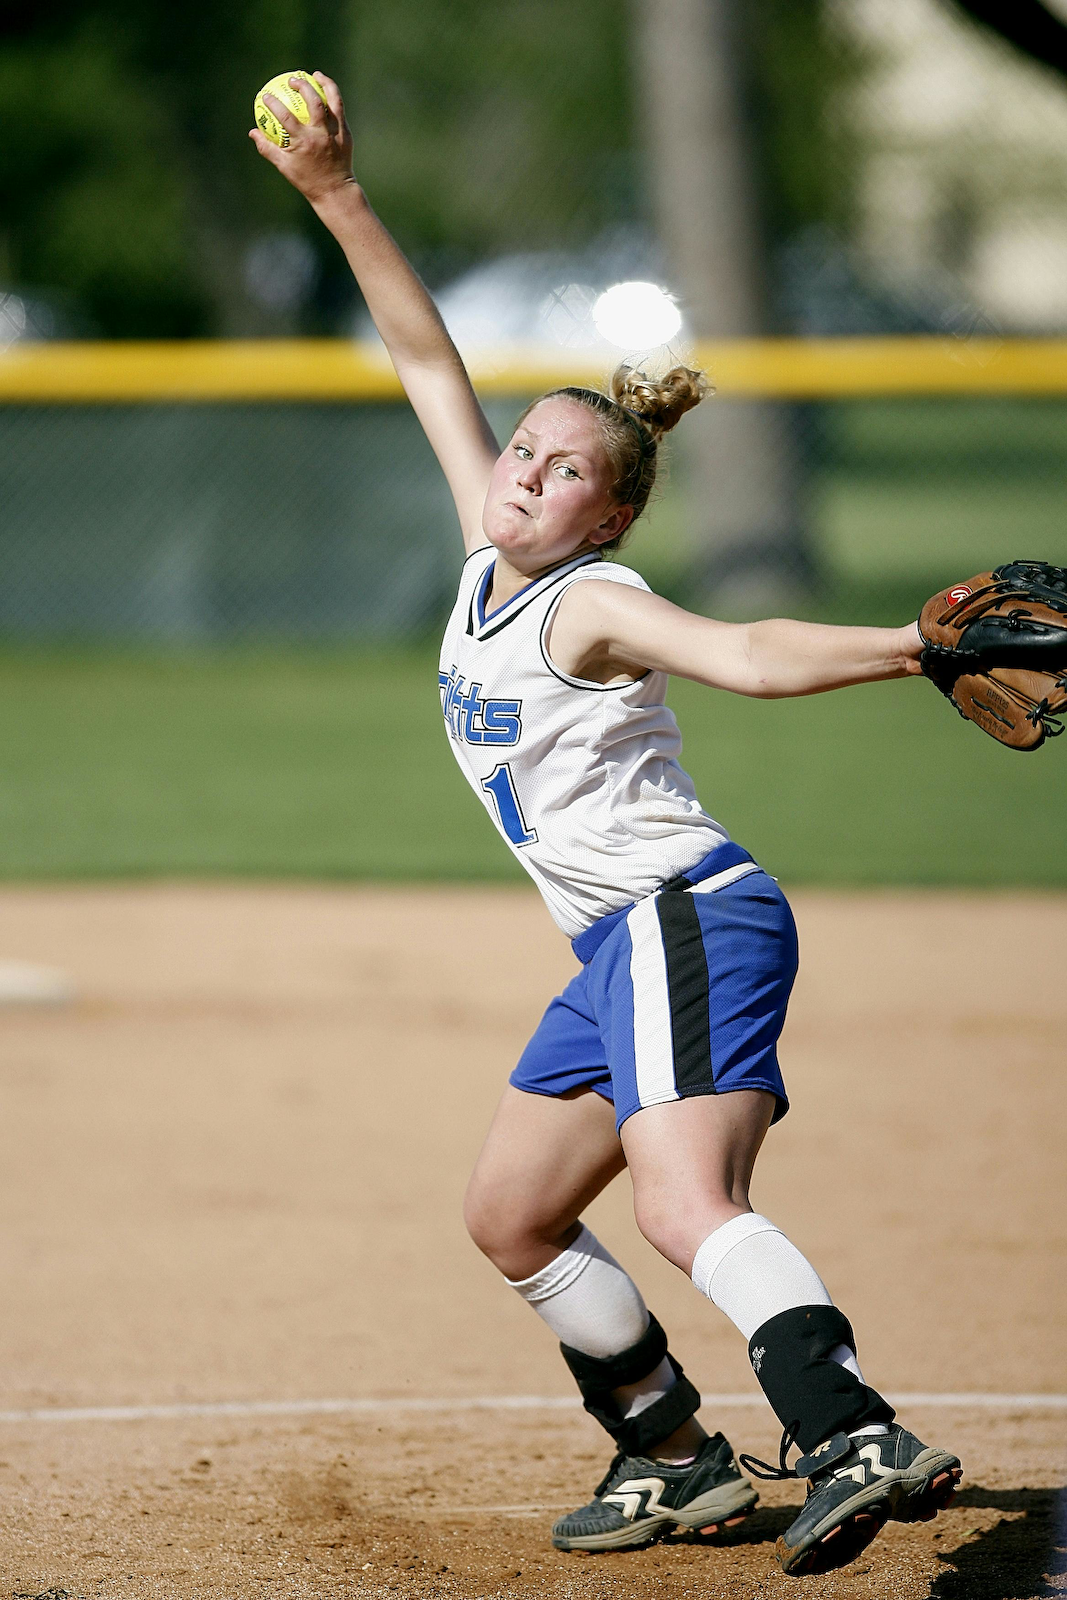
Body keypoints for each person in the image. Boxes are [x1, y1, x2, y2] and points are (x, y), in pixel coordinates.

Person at [252, 73, 962, 1578]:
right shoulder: (486, 561)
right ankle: (676, 1461)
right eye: (524, 451)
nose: (525, 472)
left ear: (609, 517)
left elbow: (756, 653)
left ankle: (853, 1433)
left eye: (566, 470)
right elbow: (425, 359)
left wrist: (916, 645)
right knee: (511, 1215)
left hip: (687, 915)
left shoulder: (591, 605)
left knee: (680, 1200)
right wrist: (333, 198)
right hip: (612, 953)